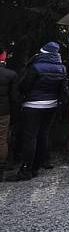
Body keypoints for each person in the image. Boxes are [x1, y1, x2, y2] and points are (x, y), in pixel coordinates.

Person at [11, 42, 67, 181]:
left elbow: (25, 86)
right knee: (43, 134)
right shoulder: (62, 68)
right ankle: (36, 167)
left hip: (33, 105)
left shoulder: (36, 66)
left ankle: (26, 170)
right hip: (52, 105)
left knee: (30, 137)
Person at [0, 49, 18, 180]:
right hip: (3, 110)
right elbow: (14, 97)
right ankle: (1, 169)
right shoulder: (10, 74)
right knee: (2, 139)